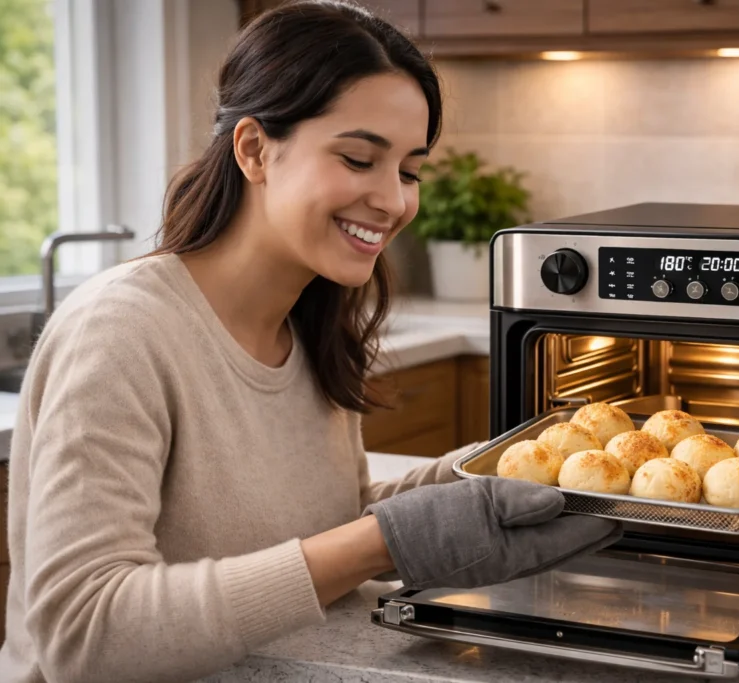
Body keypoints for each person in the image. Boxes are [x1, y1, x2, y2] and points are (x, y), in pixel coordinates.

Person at [0, 2, 622, 681]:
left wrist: (495, 467)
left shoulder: (310, 322)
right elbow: (83, 634)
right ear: (254, 149)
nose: (393, 201)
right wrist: (385, 540)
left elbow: (322, 524)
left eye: (410, 171)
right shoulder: (120, 332)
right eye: (359, 158)